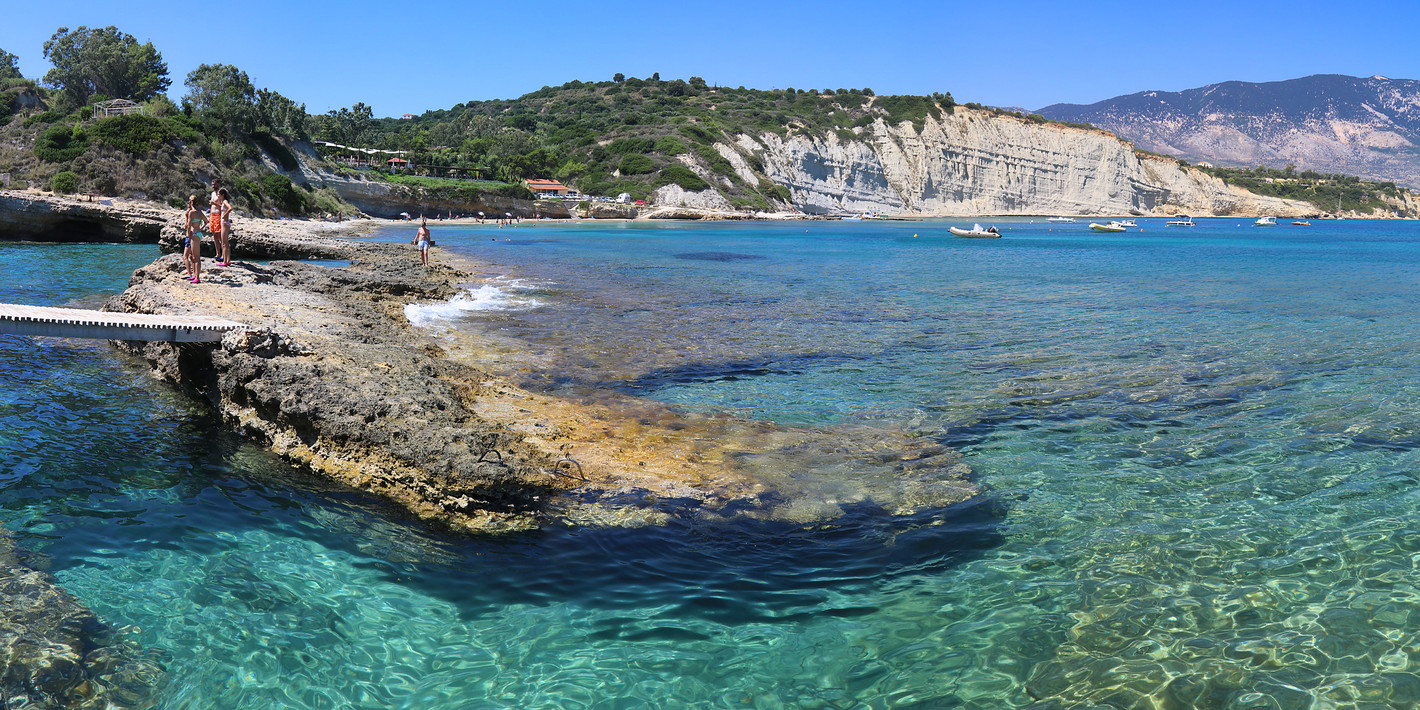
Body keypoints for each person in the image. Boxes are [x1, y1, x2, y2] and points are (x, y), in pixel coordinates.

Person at [184, 195, 203, 283]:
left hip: (193, 234)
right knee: (194, 257)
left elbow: (188, 226)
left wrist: (188, 234)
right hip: (198, 233)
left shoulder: (192, 212)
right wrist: (200, 228)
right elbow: (206, 221)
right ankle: (195, 276)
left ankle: (197, 278)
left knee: (196, 258)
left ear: (190, 202)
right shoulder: (199, 211)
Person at [217, 187, 234, 265]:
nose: (218, 196)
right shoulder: (223, 202)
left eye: (219, 194)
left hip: (224, 223)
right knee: (226, 243)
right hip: (226, 223)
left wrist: (225, 215)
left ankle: (224, 261)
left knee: (223, 243)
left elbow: (230, 208)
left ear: (222, 195)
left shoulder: (225, 201)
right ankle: (228, 260)